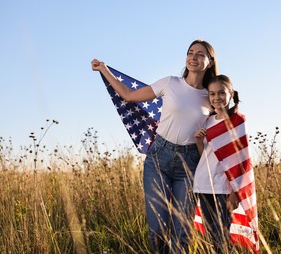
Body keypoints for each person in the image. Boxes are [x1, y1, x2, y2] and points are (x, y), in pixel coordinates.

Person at [91, 39, 218, 253]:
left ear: (210, 61)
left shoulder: (211, 97)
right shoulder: (170, 83)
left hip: (189, 165)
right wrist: (104, 69)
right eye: (190, 52)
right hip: (159, 157)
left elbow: (224, 124)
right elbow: (129, 95)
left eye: (199, 54)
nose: (193, 57)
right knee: (157, 228)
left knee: (182, 232)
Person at [193, 74, 241, 253]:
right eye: (212, 94)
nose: (216, 98)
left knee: (221, 235)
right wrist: (199, 142)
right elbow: (205, 156)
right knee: (211, 235)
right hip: (203, 184)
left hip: (223, 187)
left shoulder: (237, 121)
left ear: (230, 94)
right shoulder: (208, 121)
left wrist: (234, 193)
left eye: (221, 93)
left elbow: (240, 160)